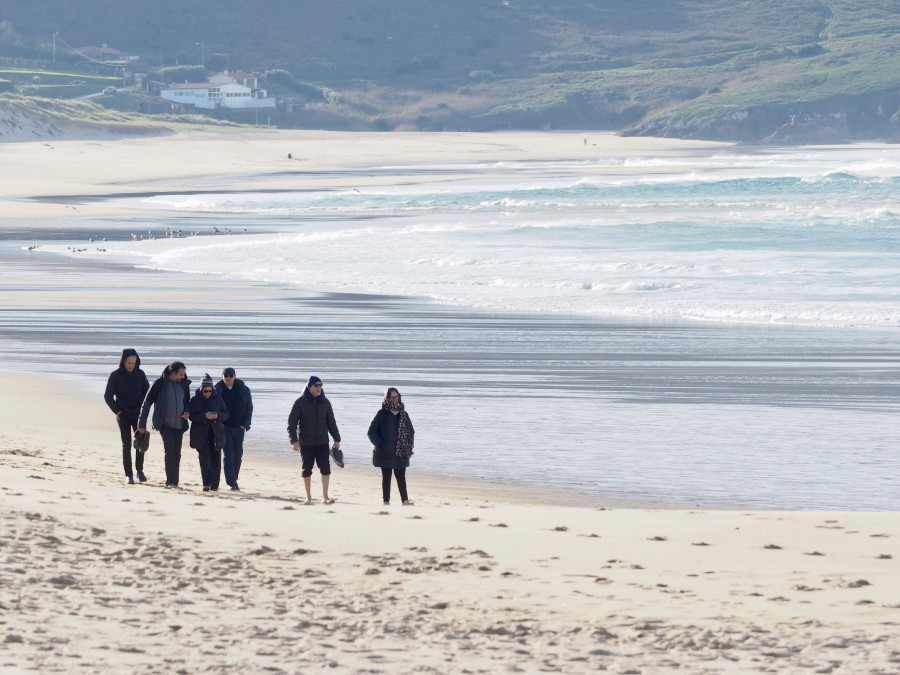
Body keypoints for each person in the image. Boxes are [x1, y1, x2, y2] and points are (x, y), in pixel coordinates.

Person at [287, 375, 341, 505]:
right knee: (306, 469)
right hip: (306, 443)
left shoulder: (325, 403)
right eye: (316, 385)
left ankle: (325, 497)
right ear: (309, 386)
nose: (318, 388)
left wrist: (337, 439)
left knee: (325, 468)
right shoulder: (300, 402)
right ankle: (308, 497)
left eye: (320, 385)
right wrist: (294, 440)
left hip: (322, 442)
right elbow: (292, 423)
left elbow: (331, 422)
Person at [138, 361, 191, 489]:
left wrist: (187, 412)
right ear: (173, 373)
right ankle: (170, 482)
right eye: (181, 374)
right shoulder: (159, 384)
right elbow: (147, 403)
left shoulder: (184, 384)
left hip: (179, 424)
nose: (183, 377)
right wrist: (142, 424)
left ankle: (175, 482)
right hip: (164, 423)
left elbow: (187, 402)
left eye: (184, 374)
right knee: (170, 451)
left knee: (177, 453)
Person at [104, 348, 150, 485]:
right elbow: (108, 396)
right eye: (129, 363)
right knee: (127, 445)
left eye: (134, 363)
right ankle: (128, 475)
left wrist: (144, 412)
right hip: (122, 414)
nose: (131, 365)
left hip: (138, 414)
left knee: (141, 442)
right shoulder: (115, 375)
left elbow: (147, 395)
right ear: (123, 361)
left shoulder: (140, 374)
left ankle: (139, 471)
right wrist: (117, 411)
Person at [368, 387, 415, 506]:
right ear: (387, 398)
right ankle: (386, 501)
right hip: (385, 452)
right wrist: (380, 444)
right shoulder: (381, 413)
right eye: (393, 397)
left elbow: (411, 431)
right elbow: (371, 432)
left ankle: (405, 501)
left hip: (401, 452)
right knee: (386, 477)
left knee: (401, 477)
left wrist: (408, 446)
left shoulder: (404, 413)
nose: (395, 399)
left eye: (397, 396)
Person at [189, 374, 229, 492]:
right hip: (201, 434)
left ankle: (215, 485)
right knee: (204, 459)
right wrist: (204, 416)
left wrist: (217, 416)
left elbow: (226, 413)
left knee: (216, 459)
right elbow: (191, 416)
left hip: (216, 433)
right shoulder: (194, 400)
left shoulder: (218, 398)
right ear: (201, 390)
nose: (207, 393)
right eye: (205, 391)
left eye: (209, 391)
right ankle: (206, 483)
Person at [215, 367, 253, 491]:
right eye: (226, 375)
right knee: (228, 455)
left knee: (238, 455)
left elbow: (249, 407)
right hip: (224, 427)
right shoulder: (217, 389)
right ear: (222, 376)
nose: (228, 378)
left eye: (231, 375)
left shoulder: (243, 389)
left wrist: (245, 424)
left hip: (239, 427)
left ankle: (234, 478)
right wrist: (218, 422)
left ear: (235, 376)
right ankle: (231, 483)